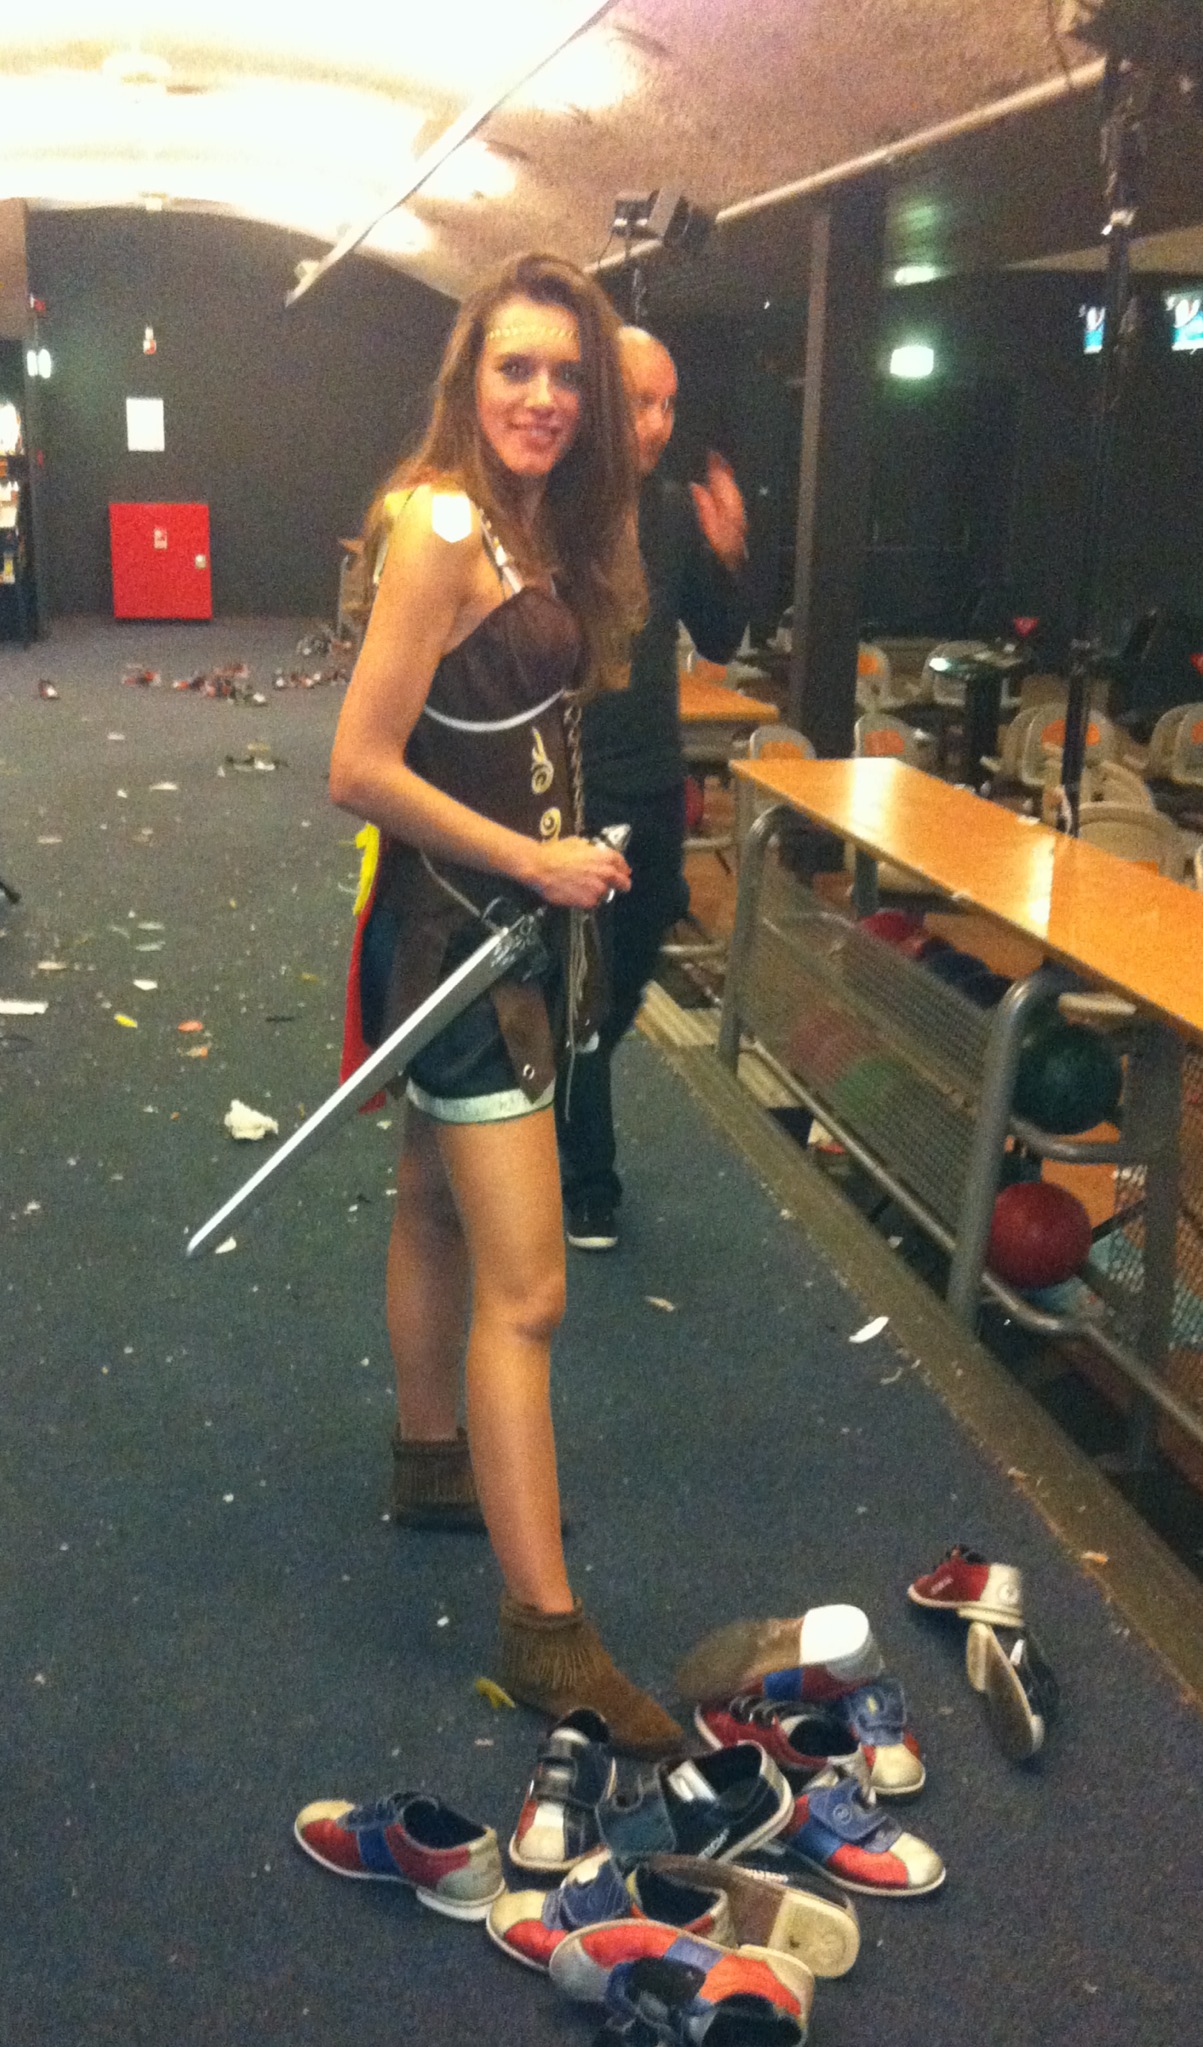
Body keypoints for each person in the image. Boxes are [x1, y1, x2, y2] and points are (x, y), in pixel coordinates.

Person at [330, 254, 682, 1757]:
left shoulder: (527, 521)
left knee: (428, 1200)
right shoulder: (439, 524)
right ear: (467, 378)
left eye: (564, 374)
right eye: (514, 369)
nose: (542, 397)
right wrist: (532, 858)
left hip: (493, 936)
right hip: (463, 950)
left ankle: (432, 1461)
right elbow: (356, 764)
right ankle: (546, 1634)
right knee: (528, 1292)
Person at [554, 327, 750, 1250]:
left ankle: (558, 1082)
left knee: (629, 971)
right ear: (596, 395)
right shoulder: (549, 509)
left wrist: (728, 553)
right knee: (584, 989)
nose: (659, 423)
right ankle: (587, 1180)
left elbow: (719, 639)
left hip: (654, 783)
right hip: (574, 787)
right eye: (641, 401)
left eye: (669, 404)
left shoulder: (672, 512)